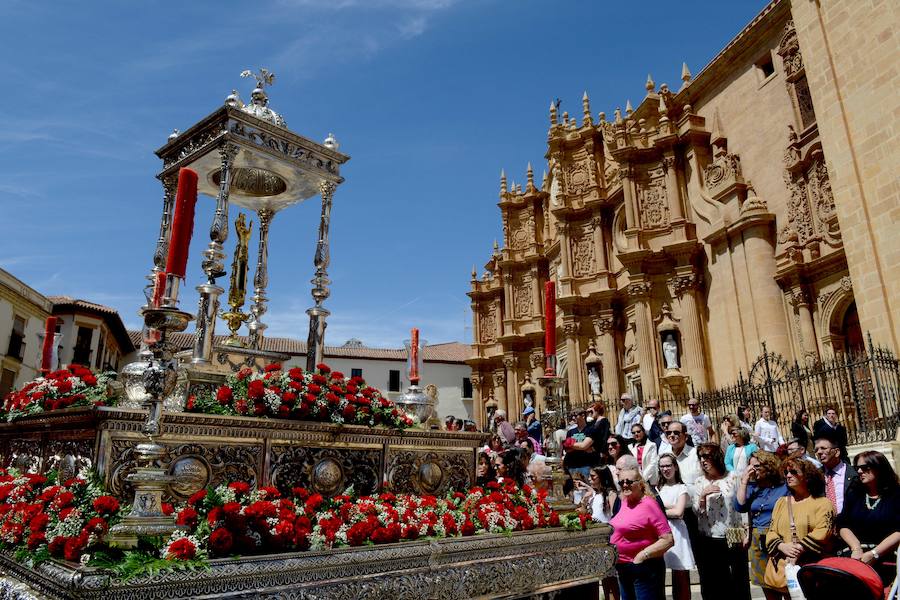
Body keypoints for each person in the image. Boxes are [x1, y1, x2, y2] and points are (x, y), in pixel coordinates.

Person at [764, 457, 835, 595]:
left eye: (793, 472)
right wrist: (782, 546)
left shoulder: (823, 503)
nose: (788, 475)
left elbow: (823, 531)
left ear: (807, 475)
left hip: (812, 569)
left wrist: (798, 548)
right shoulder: (781, 503)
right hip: (785, 566)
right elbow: (772, 531)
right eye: (786, 472)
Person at [693, 443, 751, 600]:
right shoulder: (699, 482)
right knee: (714, 581)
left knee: (738, 579)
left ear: (716, 457)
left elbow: (742, 504)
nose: (703, 460)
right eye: (700, 457)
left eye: (707, 456)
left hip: (734, 532)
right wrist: (703, 496)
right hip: (709, 536)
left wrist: (747, 531)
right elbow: (697, 512)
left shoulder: (732, 477)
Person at [609, 465, 674, 600]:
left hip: (644, 568)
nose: (625, 485)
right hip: (623, 568)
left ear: (639, 484)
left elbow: (667, 539)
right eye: (621, 482)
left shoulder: (649, 504)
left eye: (629, 482)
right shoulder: (624, 502)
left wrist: (641, 556)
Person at [836, 450, 900, 587]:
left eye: (865, 468)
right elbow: (843, 524)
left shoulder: (896, 495)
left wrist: (874, 554)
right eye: (857, 468)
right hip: (855, 556)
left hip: (886, 557)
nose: (859, 471)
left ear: (879, 468)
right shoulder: (854, 493)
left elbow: (899, 531)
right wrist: (856, 548)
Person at [734, 450, 789, 600]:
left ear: (769, 466)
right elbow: (739, 506)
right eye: (750, 466)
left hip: (779, 539)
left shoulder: (784, 486)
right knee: (767, 585)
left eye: (757, 466)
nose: (753, 470)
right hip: (758, 541)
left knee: (785, 584)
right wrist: (744, 481)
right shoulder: (752, 488)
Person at [575, 466, 621, 600]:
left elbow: (615, 516)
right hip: (594, 539)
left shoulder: (611, 494)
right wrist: (584, 500)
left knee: (610, 578)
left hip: (607, 538)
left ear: (602, 477)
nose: (589, 479)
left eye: (593, 476)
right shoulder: (593, 494)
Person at [656, 453, 696, 600]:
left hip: (678, 532)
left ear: (675, 467)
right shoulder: (658, 488)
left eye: (668, 465)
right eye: (662, 466)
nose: (665, 469)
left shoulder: (682, 488)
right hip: (661, 532)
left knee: (681, 575)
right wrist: (668, 508)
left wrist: (661, 509)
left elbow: (679, 512)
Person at [813, 432, 858, 513]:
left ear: (836, 452)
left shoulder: (854, 474)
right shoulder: (815, 476)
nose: (819, 452)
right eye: (816, 450)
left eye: (823, 448)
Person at [562, 409, 602, 479]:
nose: (573, 418)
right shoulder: (570, 432)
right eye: (572, 416)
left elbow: (584, 445)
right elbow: (567, 449)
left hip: (587, 465)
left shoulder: (591, 430)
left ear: (583, 416)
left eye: (575, 415)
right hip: (572, 466)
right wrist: (582, 447)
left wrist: (571, 444)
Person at [661, 421, 701, 491]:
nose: (672, 435)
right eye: (668, 433)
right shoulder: (662, 456)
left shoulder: (696, 455)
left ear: (686, 436)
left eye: (676, 433)